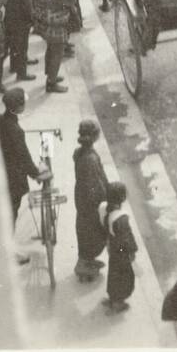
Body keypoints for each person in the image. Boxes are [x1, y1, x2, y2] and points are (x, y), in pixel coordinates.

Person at [0, 87, 48, 233]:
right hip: (13, 179)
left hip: (1, 170)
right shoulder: (16, 131)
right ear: (19, 108)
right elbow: (24, 157)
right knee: (11, 213)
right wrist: (37, 173)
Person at [33, 0, 79, 92]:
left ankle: (50, 75)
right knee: (57, 52)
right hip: (56, 22)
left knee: (50, 49)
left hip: (42, 19)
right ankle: (51, 82)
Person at [73, 120, 109, 282]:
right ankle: (83, 263)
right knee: (93, 232)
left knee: (85, 230)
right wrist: (105, 198)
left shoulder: (80, 153)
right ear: (95, 136)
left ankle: (86, 260)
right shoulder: (90, 159)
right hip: (91, 202)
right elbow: (95, 184)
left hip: (81, 198)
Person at [99, 181, 138, 313]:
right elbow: (127, 238)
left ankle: (112, 298)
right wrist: (132, 250)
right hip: (121, 251)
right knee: (124, 277)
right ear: (122, 198)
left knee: (114, 274)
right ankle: (118, 303)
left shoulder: (106, 211)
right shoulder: (122, 218)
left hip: (114, 249)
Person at [5, 0, 34, 81]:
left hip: (11, 18)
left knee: (14, 46)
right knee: (22, 47)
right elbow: (28, 6)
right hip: (21, 21)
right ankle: (22, 73)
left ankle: (13, 66)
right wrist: (32, 19)